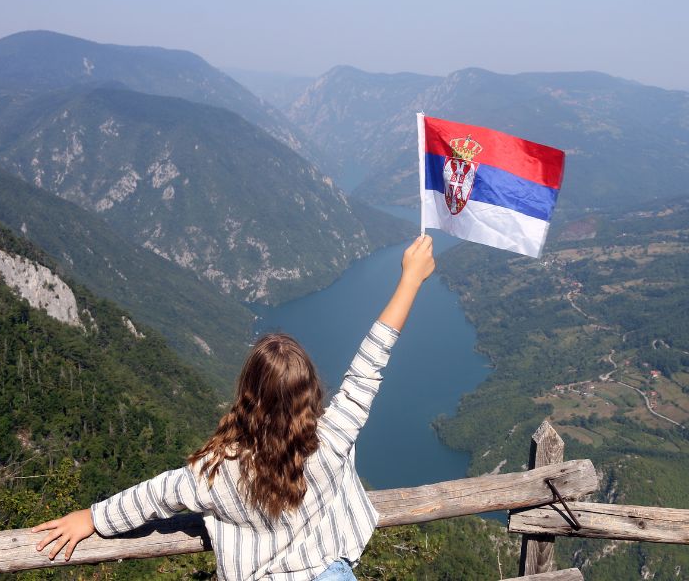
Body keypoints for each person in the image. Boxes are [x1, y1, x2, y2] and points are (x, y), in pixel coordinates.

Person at [33, 235, 436, 581]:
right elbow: (370, 364)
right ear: (312, 391)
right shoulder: (333, 439)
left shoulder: (215, 473)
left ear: (247, 396)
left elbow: (153, 497)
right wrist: (410, 279)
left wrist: (91, 518)